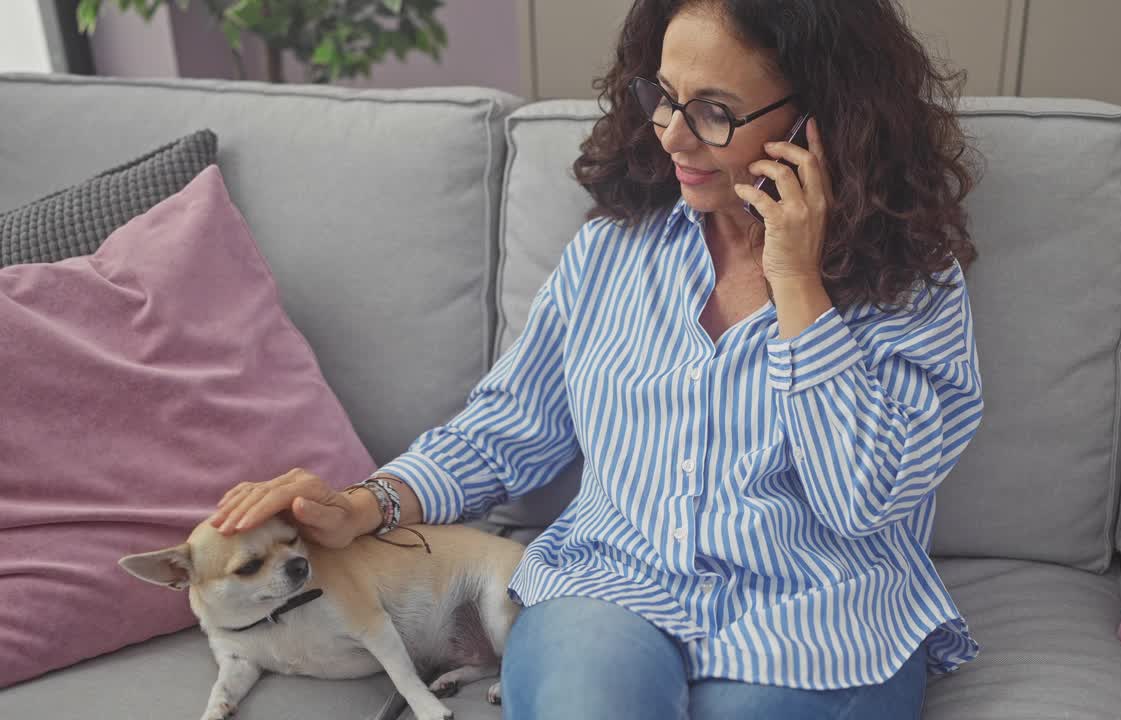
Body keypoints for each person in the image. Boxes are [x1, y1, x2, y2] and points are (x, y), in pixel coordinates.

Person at [210, 0, 984, 717]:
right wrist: (364, 504)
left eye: (715, 111)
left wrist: (798, 285)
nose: (673, 134)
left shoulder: (910, 285)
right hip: (612, 585)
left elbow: (863, 500)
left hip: (820, 615)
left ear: (825, 118)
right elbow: (506, 429)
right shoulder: (616, 251)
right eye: (665, 96)